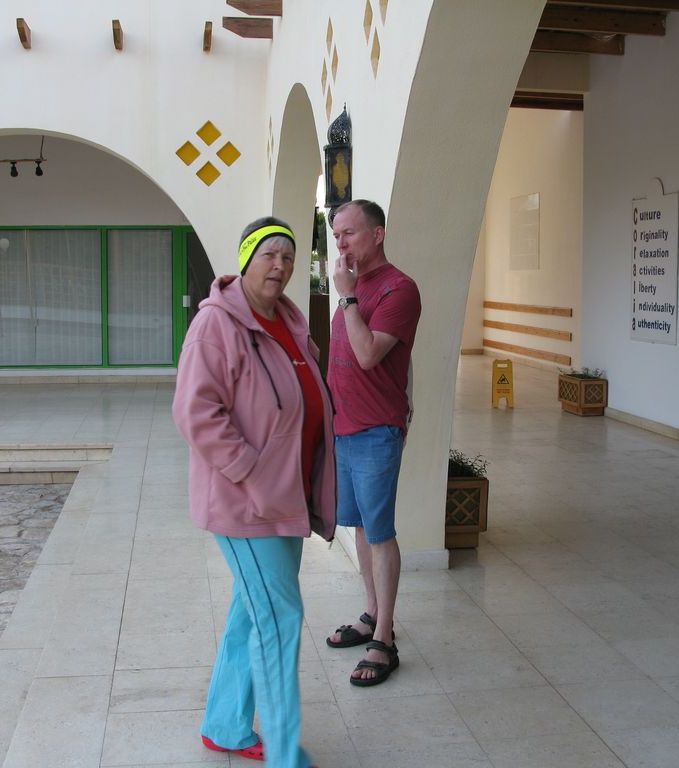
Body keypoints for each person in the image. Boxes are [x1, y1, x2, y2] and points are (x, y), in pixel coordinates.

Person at [172, 216, 334, 768]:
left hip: (287, 497)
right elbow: (195, 410)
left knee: (252, 609)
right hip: (244, 503)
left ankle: (225, 725)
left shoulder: (289, 321)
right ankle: (286, 752)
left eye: (288, 256)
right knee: (280, 617)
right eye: (269, 254)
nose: (280, 265)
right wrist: (248, 468)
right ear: (246, 260)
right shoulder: (217, 324)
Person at [324, 199, 421, 686]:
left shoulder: (398, 288)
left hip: (377, 430)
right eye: (336, 235)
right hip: (344, 427)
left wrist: (346, 298)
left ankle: (385, 638)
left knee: (380, 533)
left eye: (349, 233)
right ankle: (370, 613)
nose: (340, 244)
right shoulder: (354, 285)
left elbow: (366, 355)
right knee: (361, 527)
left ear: (377, 234)